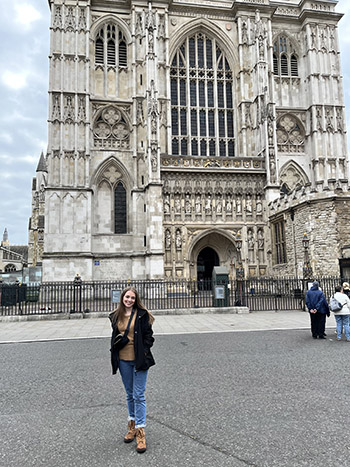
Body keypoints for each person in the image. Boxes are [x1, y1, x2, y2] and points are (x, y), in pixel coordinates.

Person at [109, 287, 155, 453]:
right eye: (127, 297)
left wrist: (143, 351)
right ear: (122, 298)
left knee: (139, 395)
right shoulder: (115, 316)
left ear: (136, 300)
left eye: (132, 298)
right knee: (129, 394)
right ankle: (132, 426)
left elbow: (149, 336)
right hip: (122, 360)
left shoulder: (142, 315)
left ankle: (141, 432)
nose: (129, 300)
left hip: (139, 360)